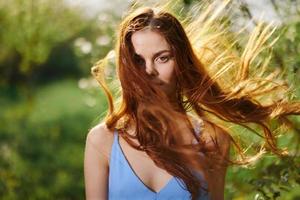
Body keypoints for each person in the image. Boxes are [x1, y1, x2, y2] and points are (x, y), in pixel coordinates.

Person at [84, 2, 300, 200]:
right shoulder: (102, 140)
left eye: (162, 58)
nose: (149, 71)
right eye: (138, 61)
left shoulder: (212, 140)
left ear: (182, 62)